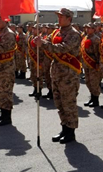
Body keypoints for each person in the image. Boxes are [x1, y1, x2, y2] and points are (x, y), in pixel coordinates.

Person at [35, 8, 82, 143]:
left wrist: (44, 44)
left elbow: (63, 48)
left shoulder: (74, 34)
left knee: (68, 103)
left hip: (68, 74)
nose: (59, 19)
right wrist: (40, 40)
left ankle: (71, 132)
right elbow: (47, 42)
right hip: (56, 72)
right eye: (59, 16)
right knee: (59, 103)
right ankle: (64, 128)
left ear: (69, 19)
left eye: (62, 17)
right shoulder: (57, 32)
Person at [81, 23, 102, 107]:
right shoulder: (85, 37)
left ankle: (96, 100)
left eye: (90, 28)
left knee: (94, 82)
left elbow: (98, 52)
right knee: (88, 81)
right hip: (86, 63)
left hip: (93, 62)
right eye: (87, 28)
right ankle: (92, 97)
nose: (88, 30)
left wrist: (97, 63)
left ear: (94, 29)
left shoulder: (96, 39)